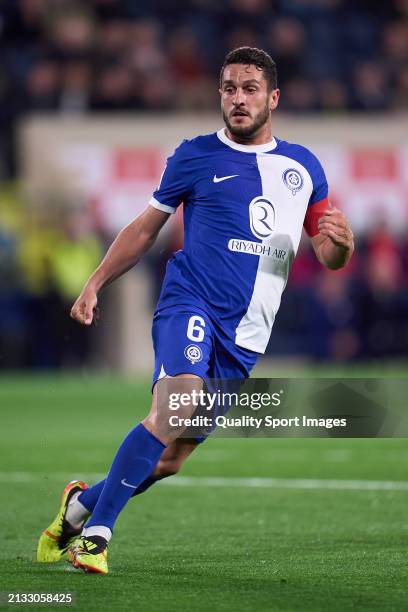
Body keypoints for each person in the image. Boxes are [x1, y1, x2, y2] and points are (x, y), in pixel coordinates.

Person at [36, 47, 354, 574]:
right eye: (229, 88)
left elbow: (329, 253)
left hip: (246, 336)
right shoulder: (195, 155)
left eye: (250, 88)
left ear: (273, 98)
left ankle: (80, 505)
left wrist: (341, 243)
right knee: (177, 406)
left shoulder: (304, 168)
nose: (238, 98)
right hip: (190, 302)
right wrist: (95, 282)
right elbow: (144, 228)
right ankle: (95, 538)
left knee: (171, 456)